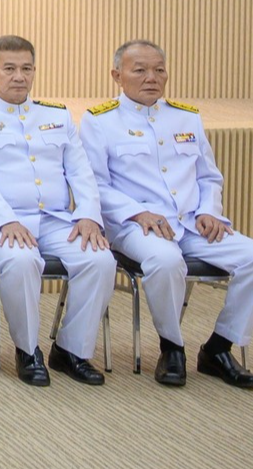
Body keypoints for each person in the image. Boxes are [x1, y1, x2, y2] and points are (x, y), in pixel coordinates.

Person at [83, 40, 253, 388]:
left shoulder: (186, 116)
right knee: (166, 261)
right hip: (134, 226)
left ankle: (218, 348)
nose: (152, 78)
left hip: (192, 223)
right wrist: (137, 213)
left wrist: (210, 211)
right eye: (140, 70)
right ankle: (172, 347)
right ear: (117, 75)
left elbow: (209, 177)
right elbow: (95, 185)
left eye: (159, 69)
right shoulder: (99, 121)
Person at [0, 34, 111, 387]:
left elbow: (81, 171)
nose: (19, 76)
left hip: (56, 219)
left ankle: (72, 349)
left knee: (100, 259)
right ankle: (28, 350)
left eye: (26, 68)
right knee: (22, 261)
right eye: (9, 69)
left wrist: (88, 215)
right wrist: (7, 220)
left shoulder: (57, 116)